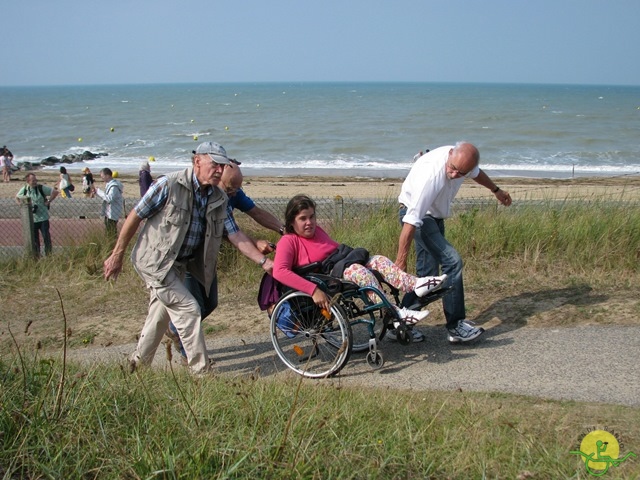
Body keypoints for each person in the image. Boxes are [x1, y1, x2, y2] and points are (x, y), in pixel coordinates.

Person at [103, 141, 232, 375]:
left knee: (159, 317)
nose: (220, 171)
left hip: (177, 266)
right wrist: (117, 255)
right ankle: (202, 374)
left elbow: (234, 233)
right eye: (215, 165)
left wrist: (263, 260)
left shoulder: (216, 196)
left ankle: (137, 367)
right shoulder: (168, 184)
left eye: (223, 167)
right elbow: (135, 216)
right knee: (189, 309)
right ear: (197, 161)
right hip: (154, 263)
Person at [271, 194, 447, 329]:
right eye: (303, 218)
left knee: (378, 260)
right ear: (292, 222)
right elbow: (279, 271)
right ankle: (394, 313)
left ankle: (416, 285)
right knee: (358, 270)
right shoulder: (289, 241)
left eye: (312, 216)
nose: (309, 222)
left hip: (340, 264)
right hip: (326, 277)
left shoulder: (317, 231)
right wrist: (313, 290)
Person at [396, 142, 512, 343]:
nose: (454, 174)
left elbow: (476, 173)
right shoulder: (431, 177)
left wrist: (496, 190)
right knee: (453, 262)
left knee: (428, 277)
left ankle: (398, 324)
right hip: (419, 218)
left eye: (461, 173)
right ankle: (456, 326)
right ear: (450, 154)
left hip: (433, 217)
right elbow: (410, 221)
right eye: (452, 168)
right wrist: (400, 261)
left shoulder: (464, 162)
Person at [167, 161, 281, 361]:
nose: (234, 194)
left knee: (210, 303)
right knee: (194, 309)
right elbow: (230, 234)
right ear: (216, 178)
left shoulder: (232, 194)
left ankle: (175, 327)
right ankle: (190, 354)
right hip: (185, 257)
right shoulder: (205, 195)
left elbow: (253, 215)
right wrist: (257, 249)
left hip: (206, 258)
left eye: (238, 188)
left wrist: (283, 229)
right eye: (230, 188)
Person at [15, 173, 59, 256]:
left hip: (43, 218)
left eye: (36, 180)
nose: (35, 182)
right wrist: (22, 206)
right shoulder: (25, 189)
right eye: (33, 180)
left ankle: (49, 255)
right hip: (32, 219)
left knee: (46, 238)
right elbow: (17, 197)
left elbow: (55, 192)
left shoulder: (41, 188)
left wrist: (48, 201)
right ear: (28, 181)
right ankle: (37, 256)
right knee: (35, 240)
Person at [95, 168, 124, 238]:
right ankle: (111, 245)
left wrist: (98, 191)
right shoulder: (109, 184)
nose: (101, 178)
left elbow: (109, 199)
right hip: (109, 212)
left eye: (102, 176)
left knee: (111, 232)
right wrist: (97, 193)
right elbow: (106, 197)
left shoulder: (114, 186)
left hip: (112, 213)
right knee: (109, 231)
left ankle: (112, 246)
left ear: (107, 175)